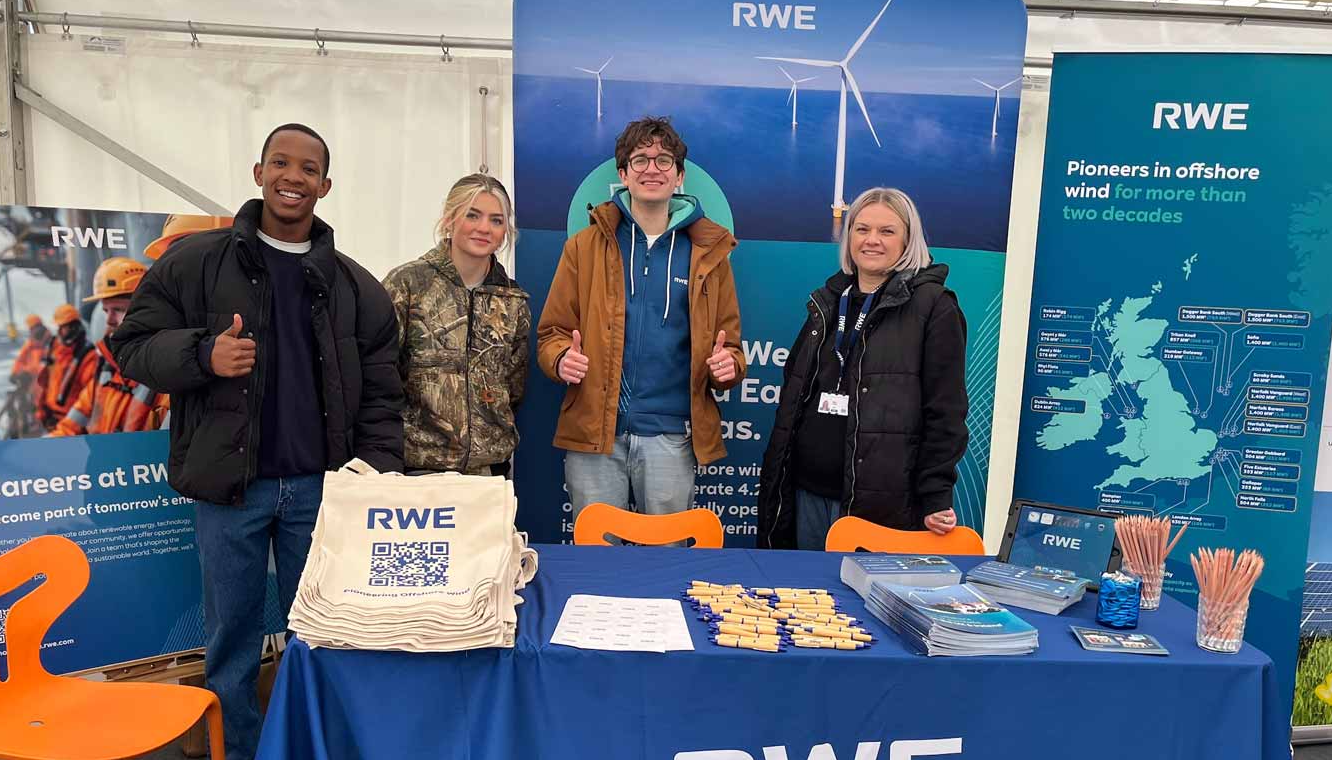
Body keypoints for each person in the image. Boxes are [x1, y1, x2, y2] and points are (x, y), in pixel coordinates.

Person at [109, 122, 405, 760]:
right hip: (230, 492)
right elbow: (131, 344)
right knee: (234, 642)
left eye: (309, 168)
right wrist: (203, 353)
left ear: (325, 186)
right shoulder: (195, 265)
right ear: (258, 170)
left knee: (324, 640)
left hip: (321, 494)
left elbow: (382, 391)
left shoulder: (355, 285)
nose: (293, 176)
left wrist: (377, 478)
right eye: (281, 162)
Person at [535, 116, 745, 519]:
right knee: (597, 563)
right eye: (640, 160)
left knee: (665, 567)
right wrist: (562, 358)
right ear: (623, 174)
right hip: (595, 434)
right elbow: (551, 334)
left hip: (670, 436)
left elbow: (731, 350)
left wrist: (726, 366)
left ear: (679, 176)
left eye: (664, 160)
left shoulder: (710, 253)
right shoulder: (584, 246)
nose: (652, 168)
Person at [757, 187, 969, 550]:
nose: (872, 240)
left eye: (887, 231)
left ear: (907, 240)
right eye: (862, 229)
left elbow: (946, 412)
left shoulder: (934, 307)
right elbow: (794, 396)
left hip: (879, 504)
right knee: (806, 599)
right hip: (806, 493)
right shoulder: (825, 303)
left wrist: (936, 494)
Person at [381, 173, 529, 475]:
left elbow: (513, 388)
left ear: (505, 231)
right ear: (449, 219)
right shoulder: (407, 285)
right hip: (417, 468)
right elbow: (380, 376)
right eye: (472, 215)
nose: (484, 228)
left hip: (489, 471)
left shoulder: (513, 300)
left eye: (496, 220)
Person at [48, 256, 168, 436]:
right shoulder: (106, 371)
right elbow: (70, 426)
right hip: (102, 462)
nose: (109, 320)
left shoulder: (169, 378)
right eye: (106, 311)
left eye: (119, 310)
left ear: (147, 312)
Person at [35, 305, 99, 432]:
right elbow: (45, 384)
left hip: (71, 423)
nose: (59, 331)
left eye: (63, 327)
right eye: (58, 327)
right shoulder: (54, 349)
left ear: (74, 326)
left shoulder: (88, 356)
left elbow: (90, 397)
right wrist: (42, 412)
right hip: (51, 418)